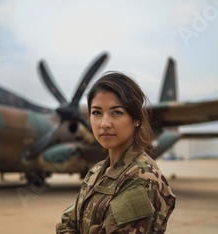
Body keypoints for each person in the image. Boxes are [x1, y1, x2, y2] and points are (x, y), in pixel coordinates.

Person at [56, 72, 176, 233]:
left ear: (136, 119)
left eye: (116, 112)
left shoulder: (142, 179)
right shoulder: (96, 171)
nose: (104, 124)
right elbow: (67, 224)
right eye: (96, 113)